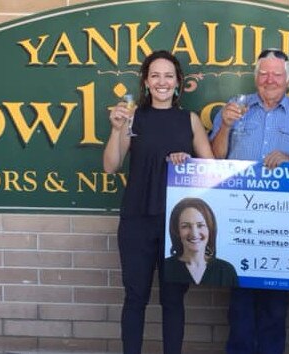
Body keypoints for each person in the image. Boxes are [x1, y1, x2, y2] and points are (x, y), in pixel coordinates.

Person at [210, 48, 289, 354]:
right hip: (238, 222)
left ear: (288, 78)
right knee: (240, 306)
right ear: (255, 77)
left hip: (283, 226)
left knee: (275, 308)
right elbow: (214, 158)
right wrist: (225, 126)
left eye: (276, 73)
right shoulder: (233, 108)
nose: (269, 79)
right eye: (263, 73)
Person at [103, 50, 214, 354]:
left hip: (178, 227)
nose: (162, 82)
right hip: (137, 220)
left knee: (173, 300)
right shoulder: (132, 117)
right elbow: (111, 166)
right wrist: (115, 130)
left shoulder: (189, 120)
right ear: (146, 81)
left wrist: (189, 161)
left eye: (168, 75)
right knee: (135, 297)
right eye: (155, 75)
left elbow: (213, 171)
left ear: (178, 82)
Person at [164, 197, 239, 286]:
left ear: (210, 229)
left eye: (200, 225)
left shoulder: (226, 271)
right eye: (186, 226)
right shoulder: (165, 267)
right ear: (176, 230)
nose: (194, 234)